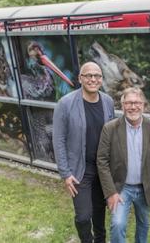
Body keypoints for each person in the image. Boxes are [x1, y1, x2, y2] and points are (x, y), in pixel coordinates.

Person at [53, 62, 115, 243]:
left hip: (102, 169)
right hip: (80, 171)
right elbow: (58, 140)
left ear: (101, 79)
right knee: (83, 216)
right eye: (88, 75)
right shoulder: (65, 104)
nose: (93, 79)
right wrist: (65, 173)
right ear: (80, 78)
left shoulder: (108, 102)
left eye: (97, 76)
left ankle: (101, 240)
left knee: (99, 211)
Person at [97, 87, 150, 243]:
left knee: (144, 224)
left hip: (145, 187)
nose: (132, 107)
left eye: (136, 102)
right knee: (118, 223)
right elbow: (101, 161)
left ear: (143, 105)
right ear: (122, 106)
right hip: (121, 188)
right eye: (128, 103)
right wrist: (110, 192)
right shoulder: (110, 128)